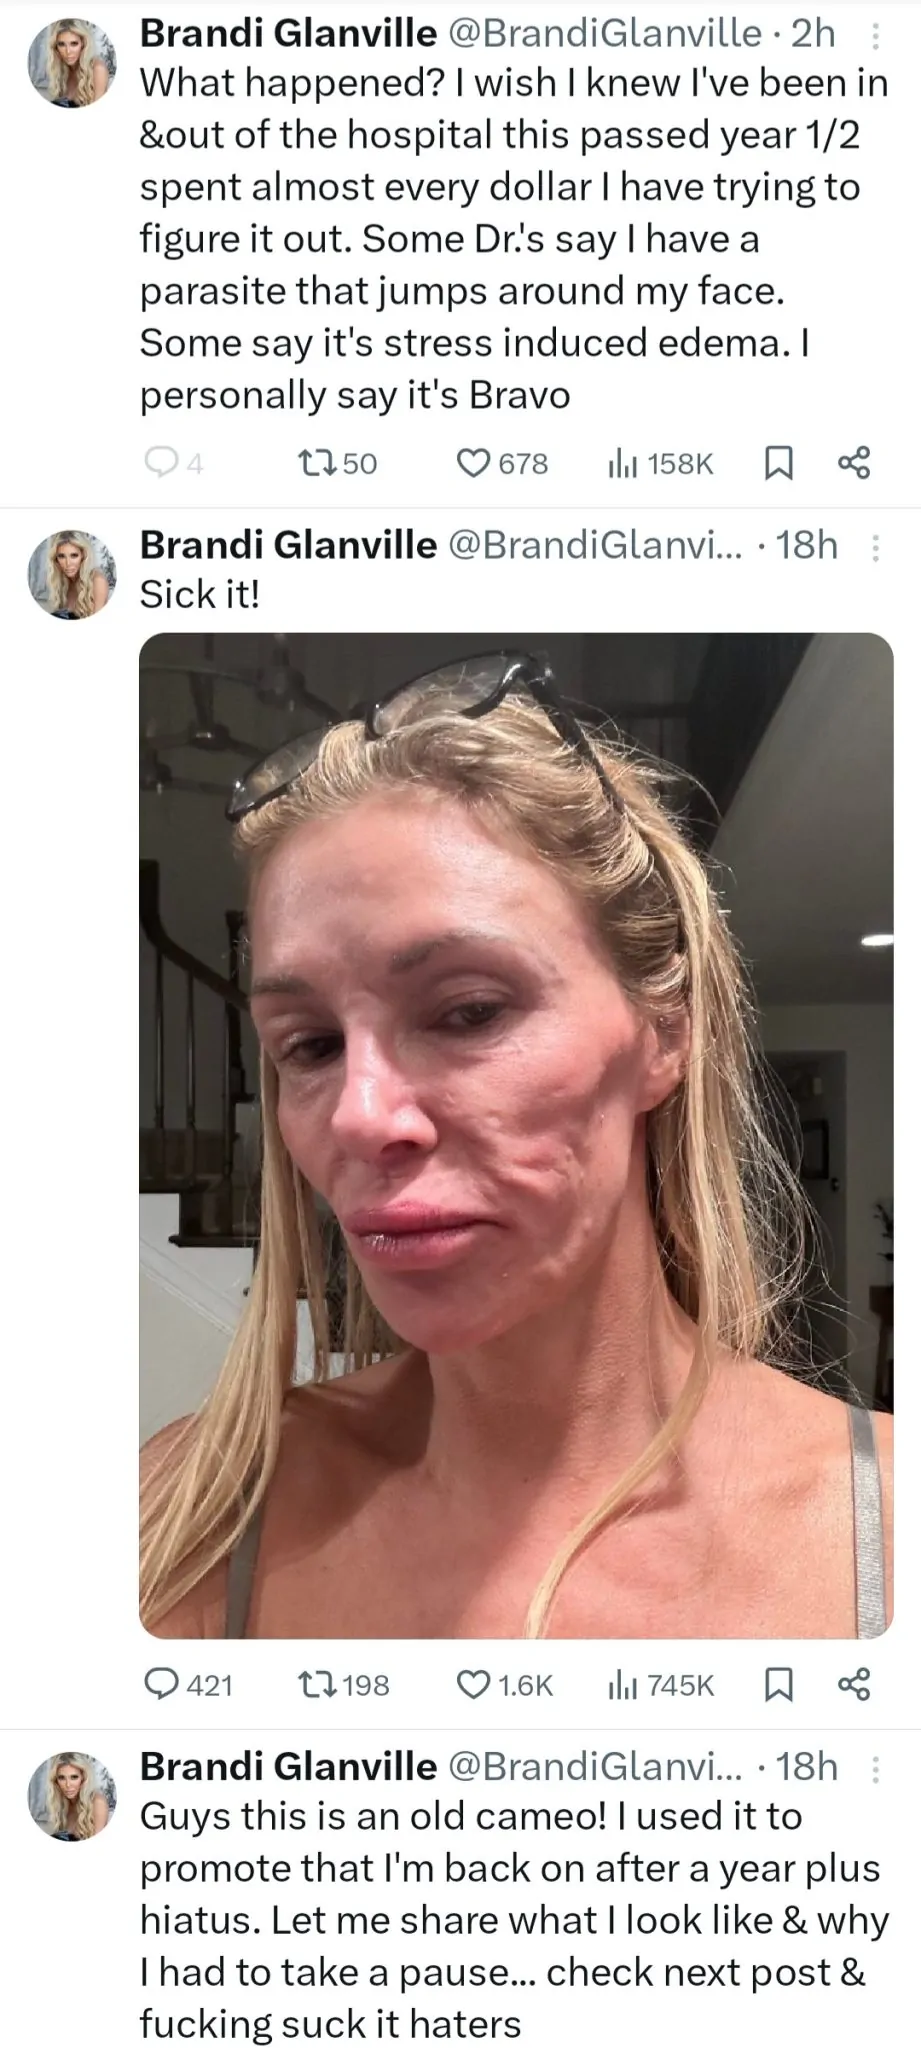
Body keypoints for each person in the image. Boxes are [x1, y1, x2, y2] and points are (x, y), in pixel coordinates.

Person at [141, 651, 893, 1641]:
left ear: (663, 1033)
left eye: (468, 1011)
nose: (359, 1116)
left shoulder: (885, 1531)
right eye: (311, 1044)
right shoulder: (190, 1519)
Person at [42, 531, 109, 619]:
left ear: (83, 555)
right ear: (56, 559)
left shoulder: (97, 581)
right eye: (61, 556)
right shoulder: (62, 583)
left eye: (74, 555)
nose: (68, 563)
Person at [43, 19, 109, 107]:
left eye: (74, 44)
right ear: (56, 47)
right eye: (61, 44)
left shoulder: (98, 69)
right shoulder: (61, 70)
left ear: (83, 44)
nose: (68, 51)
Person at [43, 1753, 109, 1839]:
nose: (68, 1785)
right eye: (62, 1778)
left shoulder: (97, 1803)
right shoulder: (62, 1804)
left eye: (74, 1777)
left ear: (83, 1778)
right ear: (56, 1781)